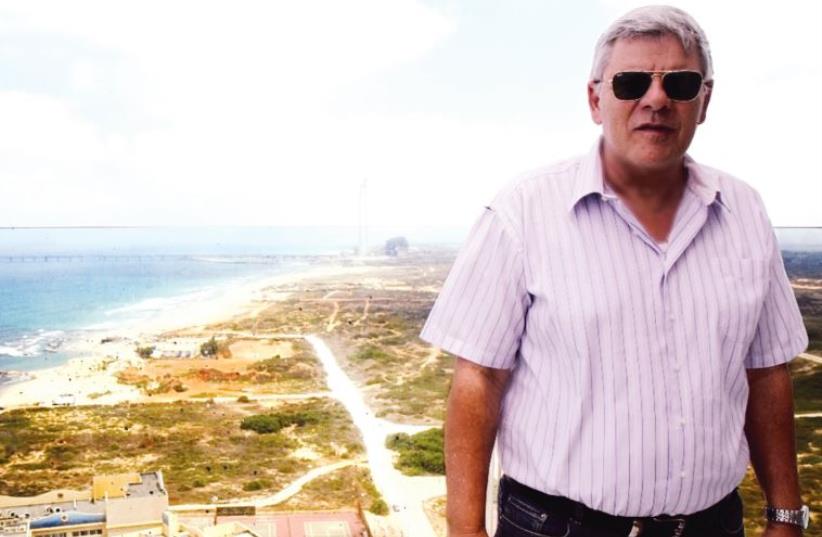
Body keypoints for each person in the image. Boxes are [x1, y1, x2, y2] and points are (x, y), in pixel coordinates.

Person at [420, 5, 810, 537]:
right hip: (555, 527)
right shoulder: (523, 211)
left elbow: (766, 373)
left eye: (680, 81)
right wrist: (465, 531)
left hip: (712, 526)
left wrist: (785, 514)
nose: (656, 99)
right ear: (595, 99)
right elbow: (478, 378)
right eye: (630, 82)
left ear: (705, 99)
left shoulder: (745, 211)